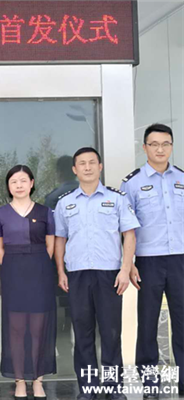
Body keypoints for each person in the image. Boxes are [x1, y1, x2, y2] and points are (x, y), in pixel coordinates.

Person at [54, 147, 140, 400]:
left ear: (100, 167)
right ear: (75, 169)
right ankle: (88, 388)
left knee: (111, 333)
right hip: (78, 274)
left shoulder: (117, 199)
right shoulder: (65, 202)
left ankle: (113, 388)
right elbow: (60, 239)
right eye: (82, 163)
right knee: (82, 334)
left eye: (92, 162)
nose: (88, 167)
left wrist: (125, 269)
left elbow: (129, 235)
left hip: (109, 275)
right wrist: (60, 271)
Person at [120, 123, 184, 398]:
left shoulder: (181, 178)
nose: (160, 149)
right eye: (154, 144)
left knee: (182, 321)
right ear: (144, 148)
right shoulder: (132, 183)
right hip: (148, 261)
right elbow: (125, 228)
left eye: (165, 144)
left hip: (180, 259)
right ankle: (149, 382)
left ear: (172, 146)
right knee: (147, 322)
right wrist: (130, 263)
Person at [0, 165, 56, 399]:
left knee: (38, 328)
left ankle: (38, 379)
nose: (18, 185)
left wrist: (37, 264)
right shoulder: (0, 214)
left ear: (31, 183)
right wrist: (13, 265)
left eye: (23, 180)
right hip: (13, 272)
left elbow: (50, 246)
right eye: (13, 181)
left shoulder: (45, 212)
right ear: (8, 186)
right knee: (16, 328)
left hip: (40, 272)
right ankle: (19, 380)